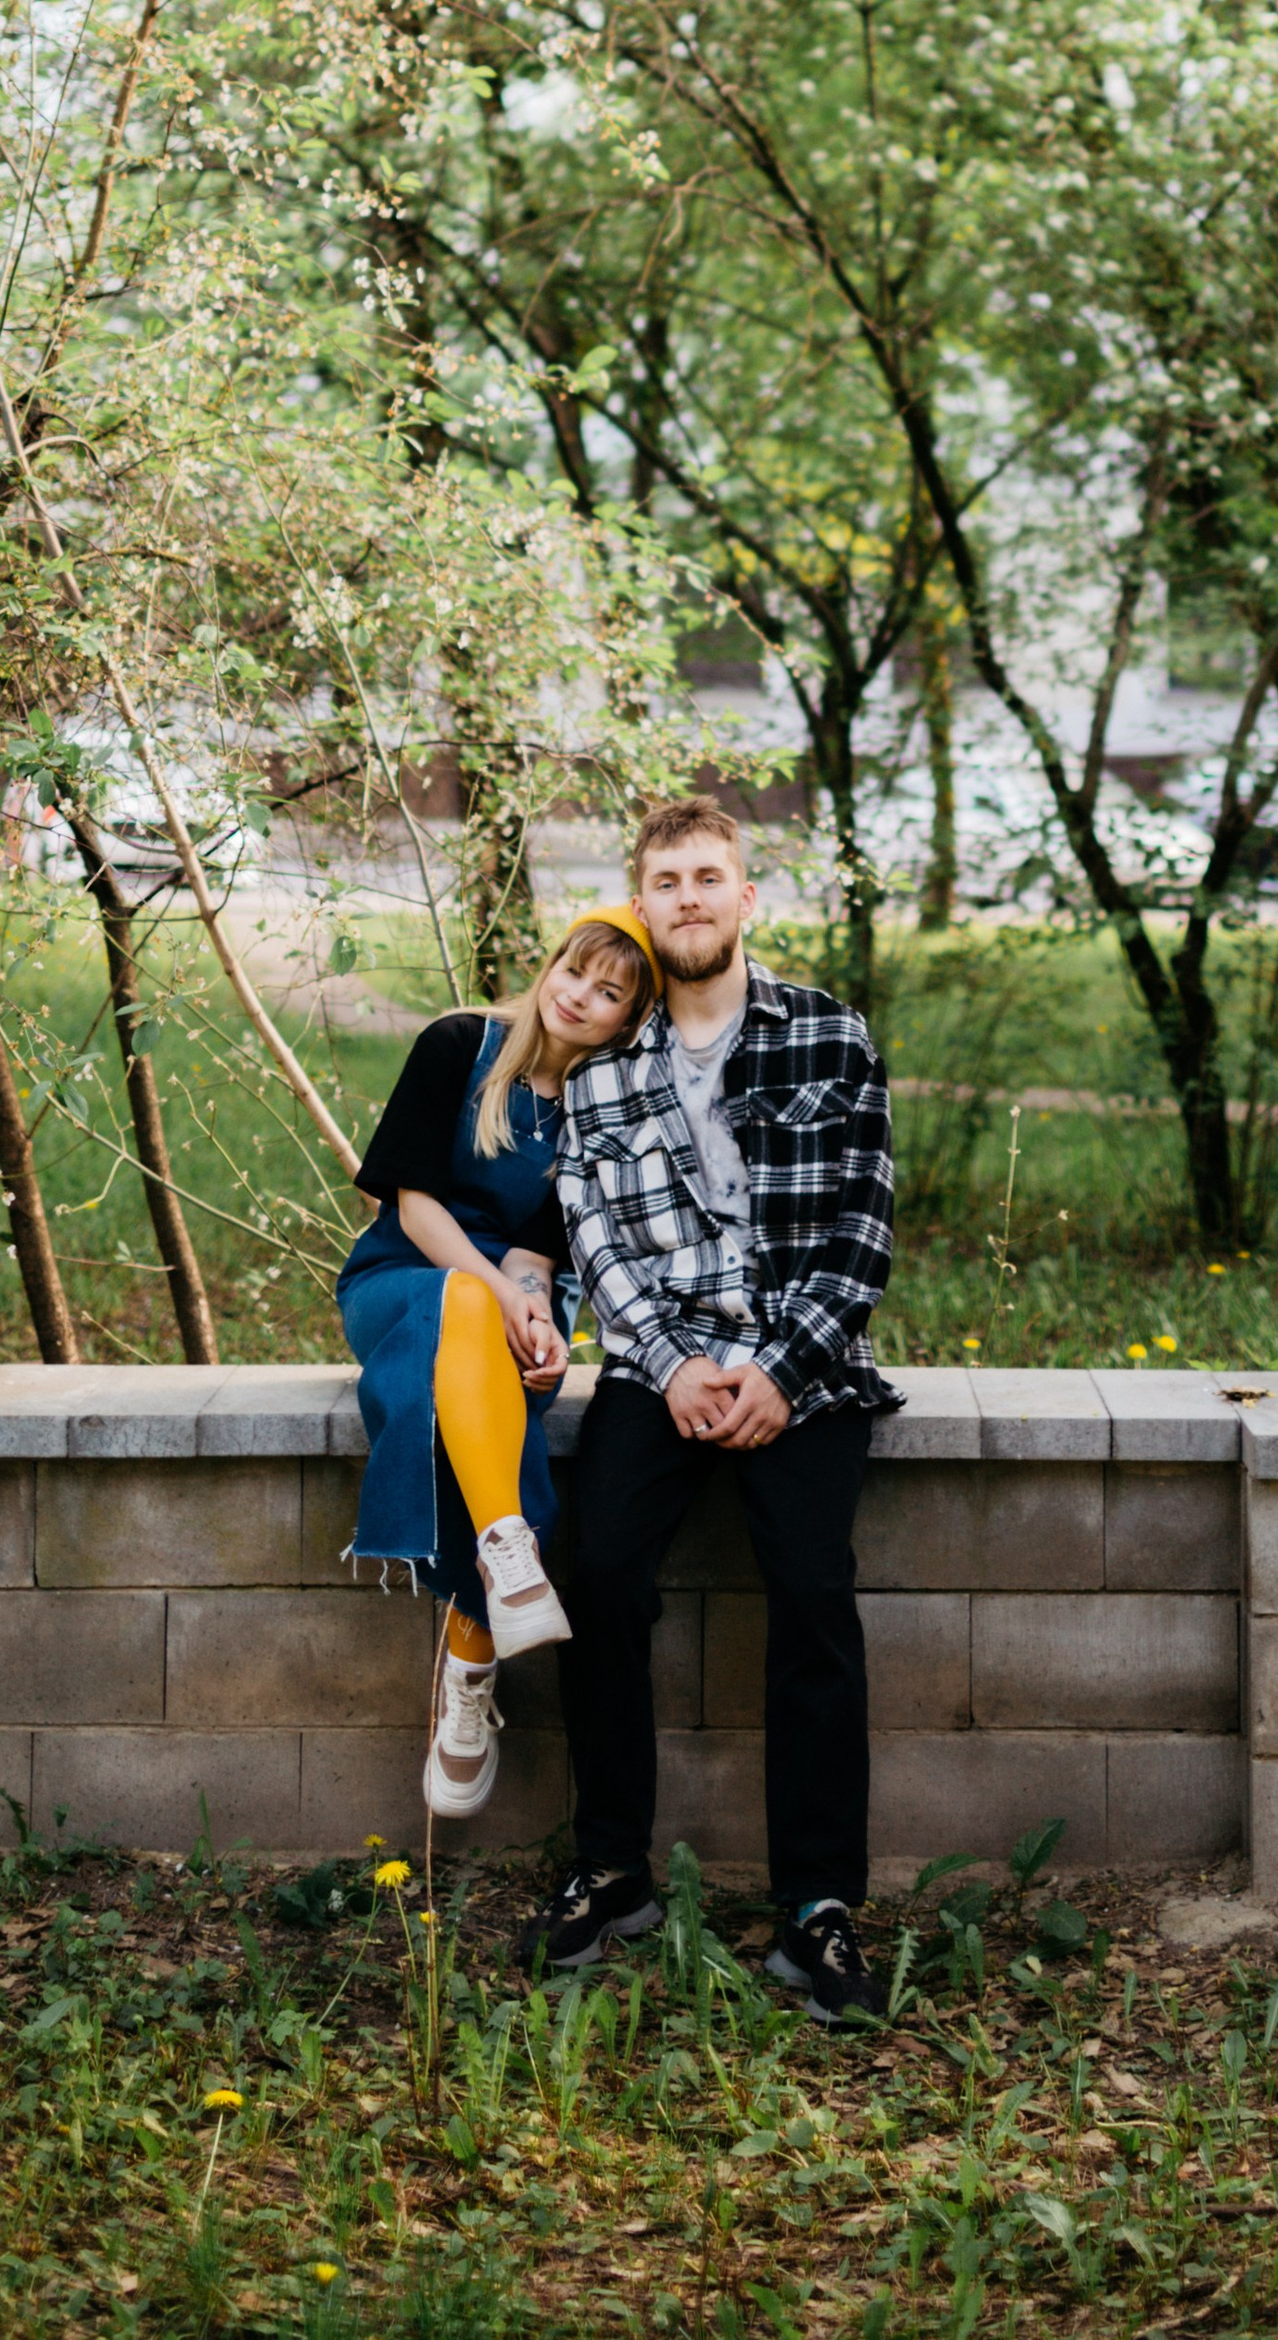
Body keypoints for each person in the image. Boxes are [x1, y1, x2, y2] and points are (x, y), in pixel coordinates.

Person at [522, 797, 898, 2026]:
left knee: (811, 1593)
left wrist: (779, 1374)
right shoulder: (602, 1072)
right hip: (659, 1368)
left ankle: (818, 1909)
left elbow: (861, 1236)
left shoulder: (830, 1038)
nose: (688, 896)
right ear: (646, 902)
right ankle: (611, 1868)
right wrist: (677, 1368)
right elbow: (597, 1242)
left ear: (745, 899)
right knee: (603, 1566)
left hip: (804, 1367)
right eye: (665, 880)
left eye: (708, 876)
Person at [337, 911, 660, 1822]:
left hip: (507, 1296)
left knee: (498, 1385)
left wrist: (540, 1321)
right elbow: (410, 1204)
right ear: (548, 962)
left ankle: (482, 1637)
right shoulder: (459, 1044)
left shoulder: (597, 1115)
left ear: (627, 1022)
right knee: (465, 1318)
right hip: (404, 1277)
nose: (579, 997)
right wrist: (496, 1294)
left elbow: (538, 1261)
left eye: (609, 995)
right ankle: (494, 1606)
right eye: (574, 971)